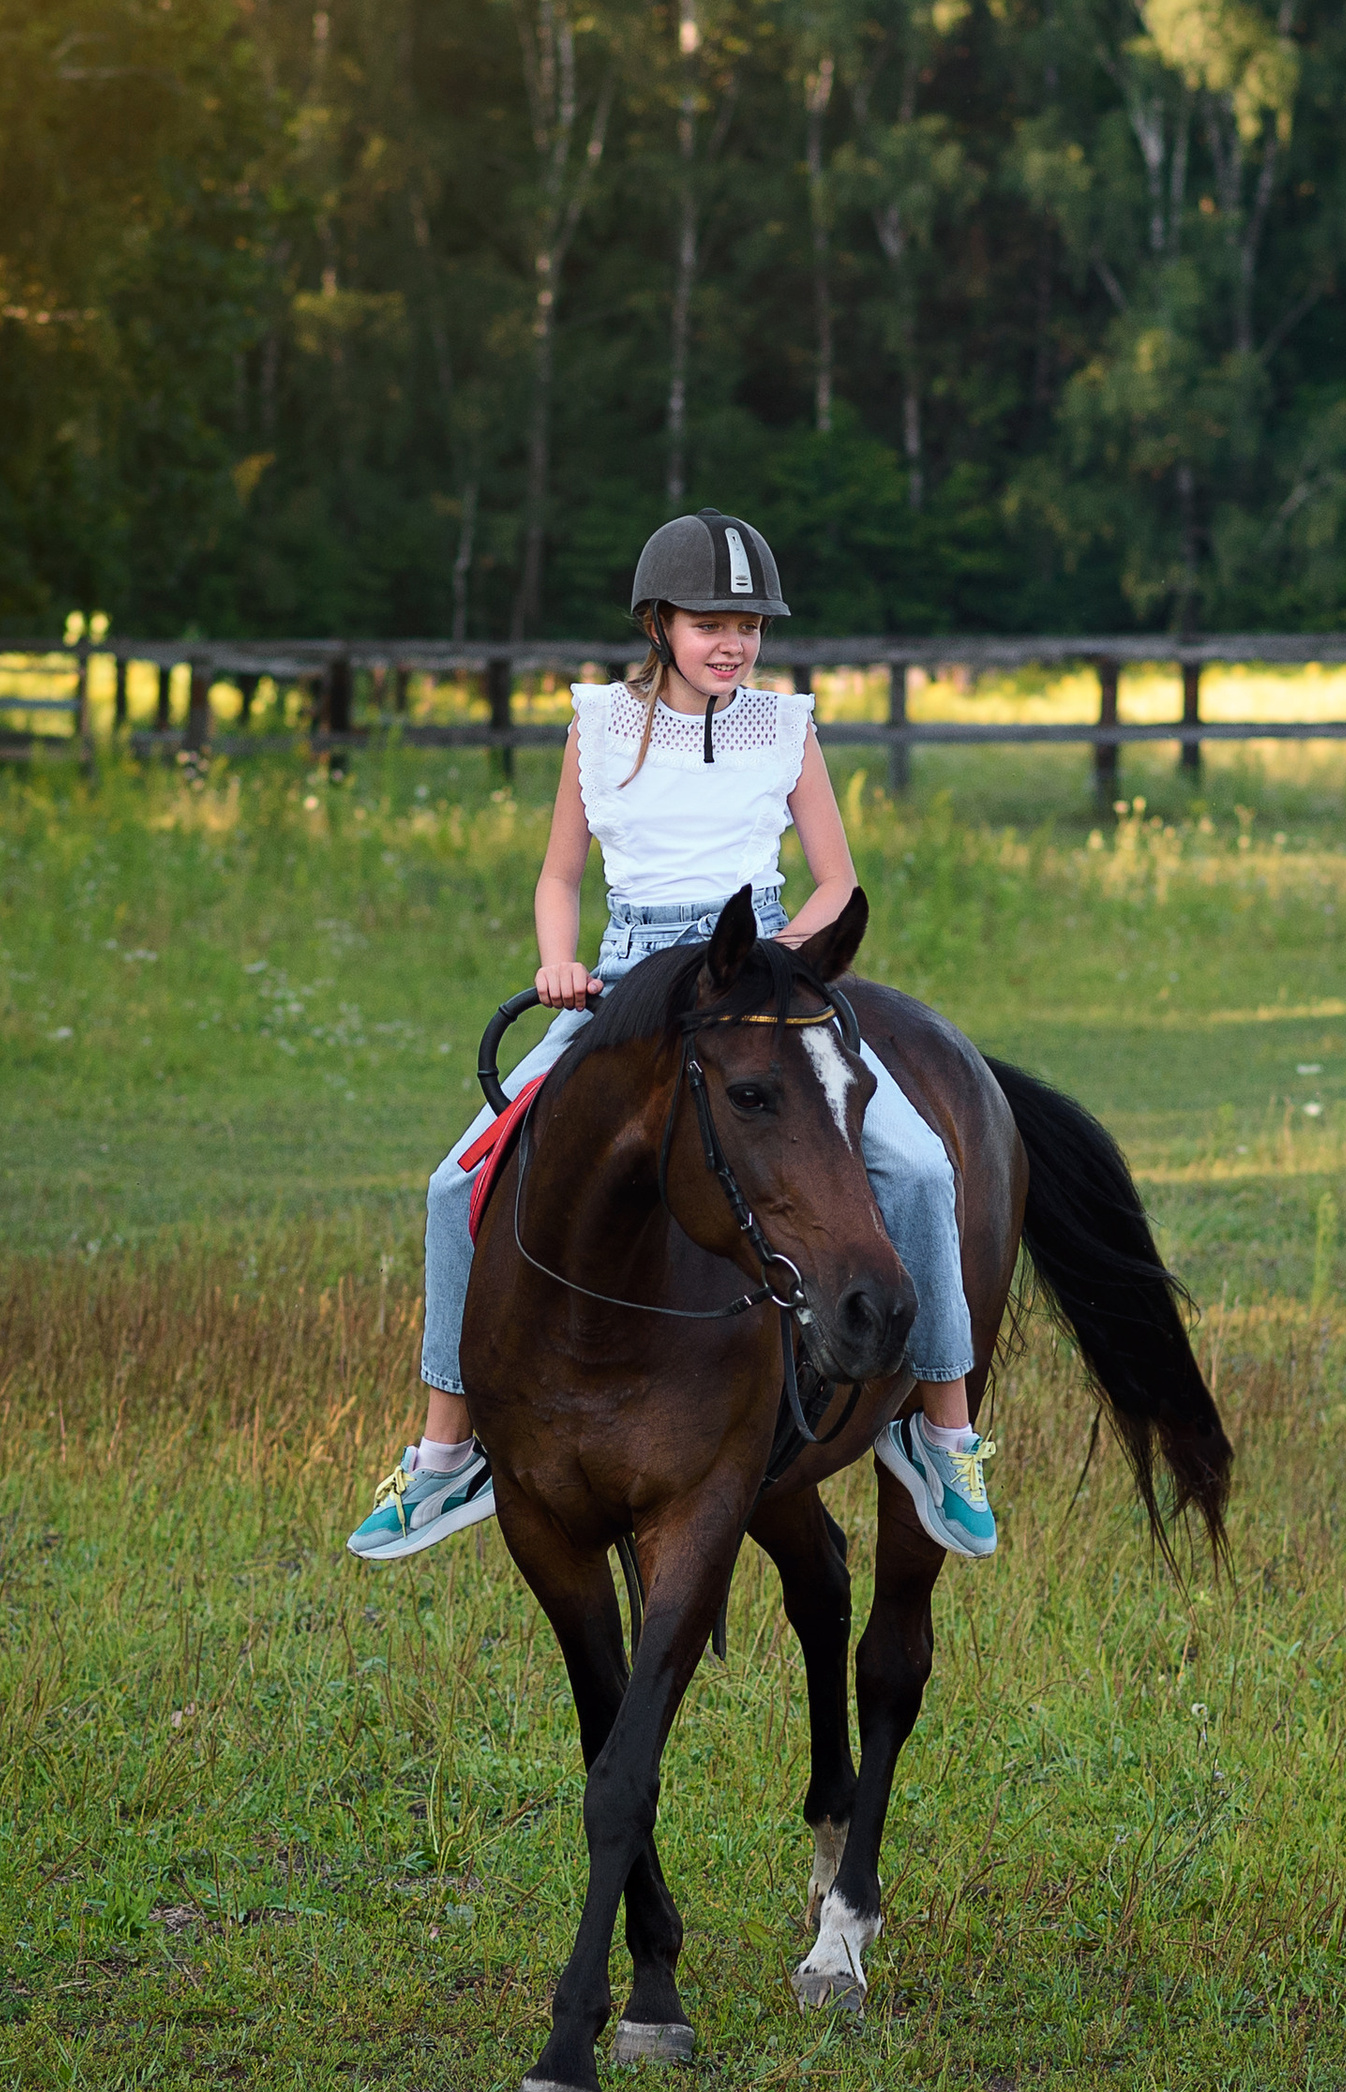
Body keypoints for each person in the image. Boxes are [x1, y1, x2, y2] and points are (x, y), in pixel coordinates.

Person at [347, 509, 996, 1565]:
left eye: (749, 625)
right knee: (451, 1183)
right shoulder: (598, 724)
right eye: (710, 623)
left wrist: (776, 960)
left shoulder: (784, 727)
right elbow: (559, 875)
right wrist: (557, 961)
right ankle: (446, 1450)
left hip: (757, 975)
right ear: (659, 624)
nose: (733, 643)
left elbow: (838, 882)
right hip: (631, 983)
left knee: (921, 1166)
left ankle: (945, 1433)